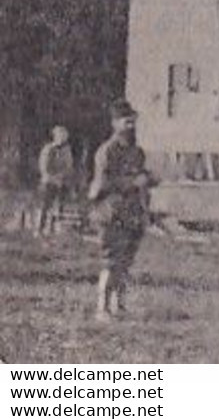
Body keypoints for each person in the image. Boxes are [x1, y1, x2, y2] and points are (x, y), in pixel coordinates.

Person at [88, 101, 157, 321]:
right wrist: (134, 182)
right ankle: (102, 308)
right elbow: (102, 185)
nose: (130, 125)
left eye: (133, 121)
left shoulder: (137, 152)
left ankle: (119, 304)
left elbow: (141, 179)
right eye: (125, 121)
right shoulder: (106, 151)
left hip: (132, 213)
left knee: (126, 261)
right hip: (111, 211)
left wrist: (149, 181)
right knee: (111, 260)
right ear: (114, 123)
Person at [36, 125, 78, 236]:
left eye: (64, 136)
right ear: (55, 136)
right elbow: (44, 167)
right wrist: (53, 177)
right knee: (45, 206)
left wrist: (64, 178)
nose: (63, 138)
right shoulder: (48, 149)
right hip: (48, 181)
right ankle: (39, 229)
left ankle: (52, 229)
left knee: (58, 205)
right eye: (60, 135)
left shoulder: (66, 150)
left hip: (61, 182)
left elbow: (69, 166)